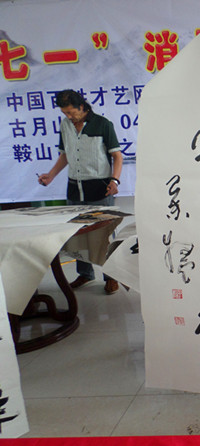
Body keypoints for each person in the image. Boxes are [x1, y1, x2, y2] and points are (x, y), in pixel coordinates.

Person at [38, 89, 123, 295]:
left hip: (100, 188)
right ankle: (85, 273)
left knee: (104, 234)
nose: (68, 116)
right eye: (64, 113)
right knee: (77, 234)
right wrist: (51, 175)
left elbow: (117, 156)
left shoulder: (103, 124)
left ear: (82, 106)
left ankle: (112, 276)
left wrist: (114, 180)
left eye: (71, 112)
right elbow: (65, 155)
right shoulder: (65, 125)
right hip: (75, 189)